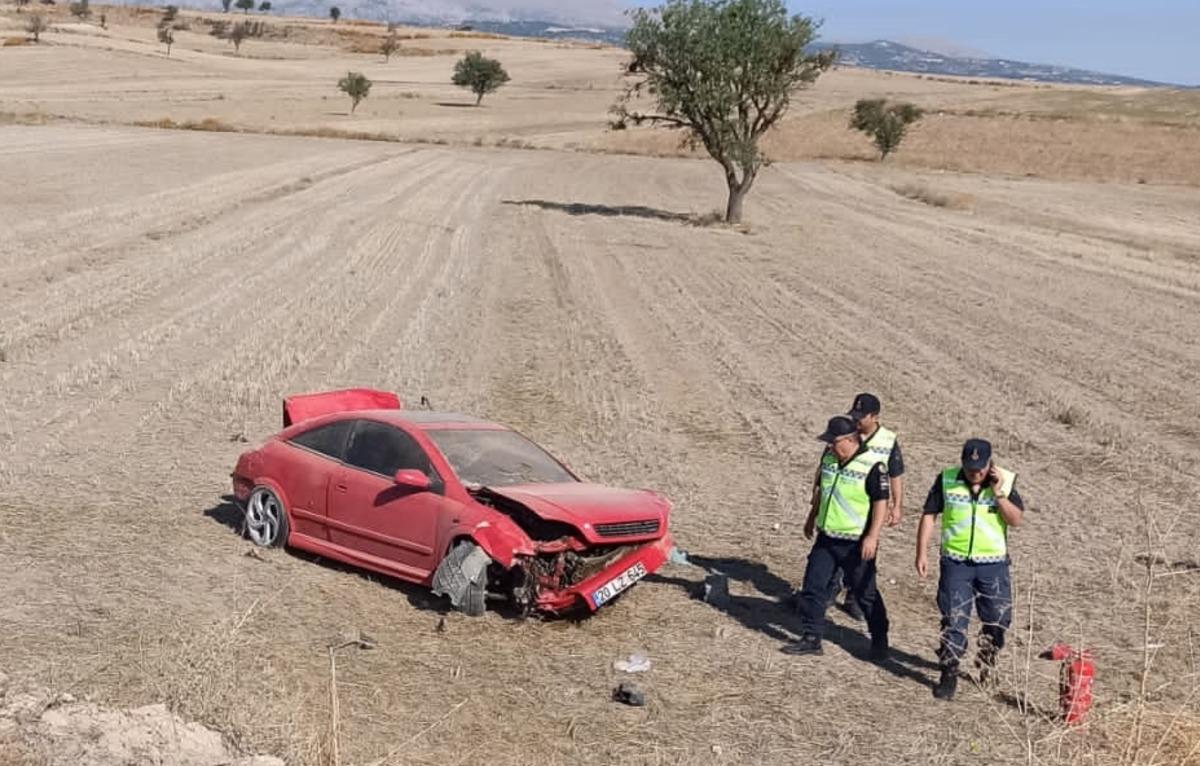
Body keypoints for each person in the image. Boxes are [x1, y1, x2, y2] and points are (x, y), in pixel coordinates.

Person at [916, 438, 1026, 700]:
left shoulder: (1006, 482)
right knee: (954, 619)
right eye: (969, 467)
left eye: (979, 468)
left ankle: (987, 660)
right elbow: (929, 514)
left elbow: (1016, 520)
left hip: (993, 566)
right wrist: (921, 552)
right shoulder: (946, 479)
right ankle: (949, 671)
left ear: (990, 464)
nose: (974, 473)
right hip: (956, 564)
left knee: (998, 621)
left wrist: (998, 494)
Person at [786, 416, 890, 659]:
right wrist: (812, 517)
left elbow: (880, 504)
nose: (830, 446)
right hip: (827, 537)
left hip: (856, 543)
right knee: (813, 587)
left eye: (834, 441)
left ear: (850, 439)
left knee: (865, 594)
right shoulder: (830, 458)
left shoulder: (873, 466)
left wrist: (872, 537)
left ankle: (880, 640)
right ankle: (812, 638)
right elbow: (822, 490)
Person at [824, 393, 907, 620]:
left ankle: (856, 599)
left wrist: (897, 506)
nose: (857, 420)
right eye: (854, 414)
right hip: (847, 505)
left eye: (861, 416)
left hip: (872, 507)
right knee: (837, 548)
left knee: (863, 555)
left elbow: (896, 475)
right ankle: (830, 591)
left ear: (875, 416)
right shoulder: (847, 435)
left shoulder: (888, 440)